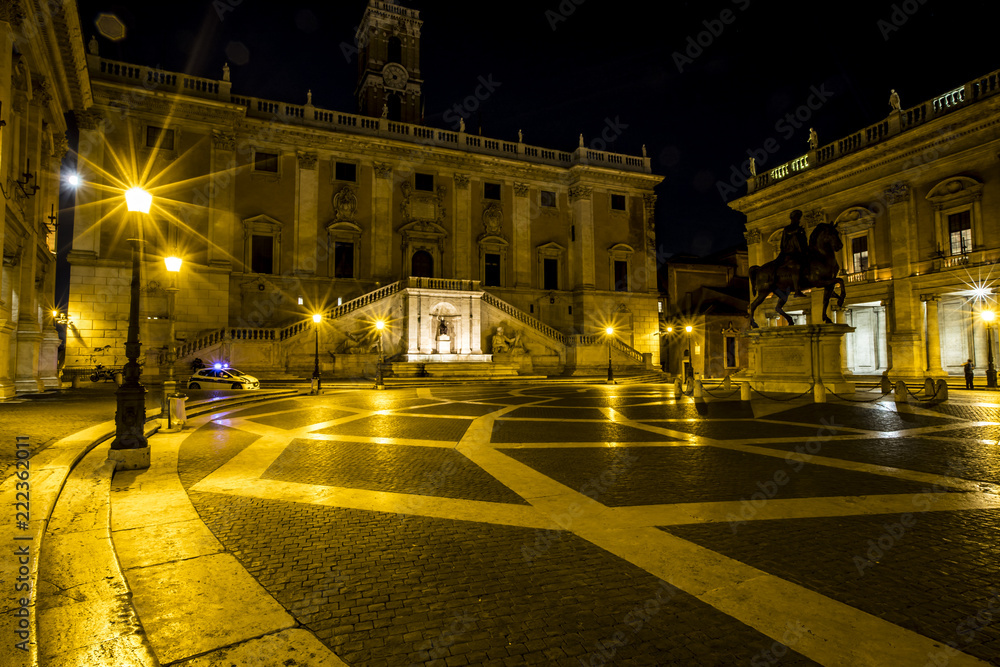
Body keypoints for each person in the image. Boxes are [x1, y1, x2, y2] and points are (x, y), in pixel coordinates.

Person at [777, 209, 809, 297]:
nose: (798, 220)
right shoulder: (788, 229)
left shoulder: (800, 229)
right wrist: (797, 232)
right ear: (792, 219)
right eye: (796, 218)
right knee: (796, 266)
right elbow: (789, 234)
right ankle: (797, 290)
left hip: (800, 252)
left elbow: (804, 241)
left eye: (798, 218)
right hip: (789, 252)